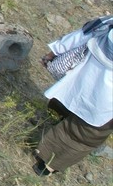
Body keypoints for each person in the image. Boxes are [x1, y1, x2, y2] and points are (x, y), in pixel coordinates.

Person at [33, 15, 113, 177]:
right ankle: (49, 163)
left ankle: (54, 131)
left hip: (82, 79)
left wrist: (55, 51)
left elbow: (84, 34)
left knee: (69, 103)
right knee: (86, 133)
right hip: (105, 102)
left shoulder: (108, 23)